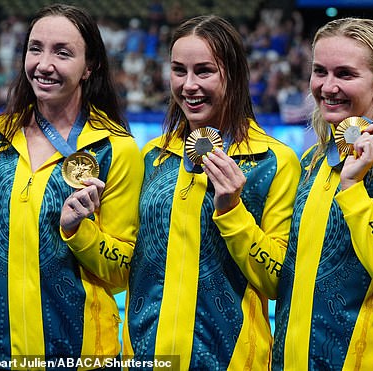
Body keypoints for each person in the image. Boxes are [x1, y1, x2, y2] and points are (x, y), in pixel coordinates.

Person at [0, 3, 143, 368]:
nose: (43, 64)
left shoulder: (115, 149)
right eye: (35, 48)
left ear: (90, 66)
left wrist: (79, 232)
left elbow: (123, 273)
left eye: (63, 52)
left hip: (81, 356)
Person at [122, 15, 300, 370]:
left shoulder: (273, 162)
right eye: (179, 70)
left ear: (232, 75)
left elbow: (279, 281)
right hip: (144, 357)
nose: (188, 85)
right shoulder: (152, 157)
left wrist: (233, 210)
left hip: (233, 361)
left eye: (204, 71)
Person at [272, 18, 373, 370]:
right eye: (320, 72)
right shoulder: (313, 160)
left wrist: (353, 190)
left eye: (345, 74)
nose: (327, 87)